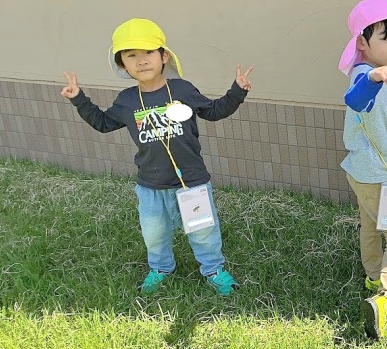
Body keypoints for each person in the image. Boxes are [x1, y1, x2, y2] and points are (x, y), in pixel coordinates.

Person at [61, 18, 251, 296]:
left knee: (203, 231)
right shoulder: (127, 100)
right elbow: (103, 123)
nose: (141, 61)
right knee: (155, 235)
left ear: (164, 57)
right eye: (131, 55)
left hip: (191, 182)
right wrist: (79, 98)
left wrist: (237, 91)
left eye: (148, 52)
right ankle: (161, 268)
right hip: (151, 186)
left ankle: (213, 269)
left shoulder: (182, 90)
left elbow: (213, 111)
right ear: (123, 65)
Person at [338, 0, 387, 339]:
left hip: (366, 174)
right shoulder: (364, 78)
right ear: (362, 43)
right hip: (379, 178)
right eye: (386, 38)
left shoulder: (383, 78)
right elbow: (354, 99)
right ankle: (385, 297)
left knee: (370, 226)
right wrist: (374, 76)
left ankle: (374, 275)